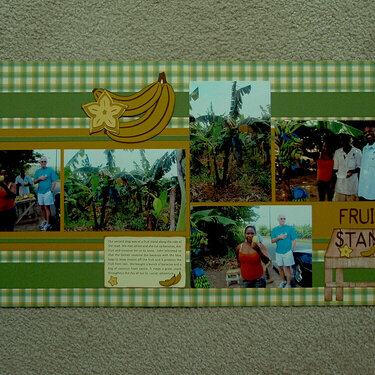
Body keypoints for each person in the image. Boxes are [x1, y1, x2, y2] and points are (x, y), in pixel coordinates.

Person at [332, 133, 362, 201]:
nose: (342, 142)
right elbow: (335, 169)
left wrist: (352, 171)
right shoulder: (337, 152)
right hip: (340, 187)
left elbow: (360, 167)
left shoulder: (357, 151)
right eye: (341, 140)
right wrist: (332, 183)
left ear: (349, 140)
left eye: (344, 140)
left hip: (352, 187)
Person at [271, 214, 298, 288]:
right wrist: (279, 237)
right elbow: (272, 241)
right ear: (278, 220)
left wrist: (291, 250)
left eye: (284, 218)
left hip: (287, 252)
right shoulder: (275, 229)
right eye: (281, 218)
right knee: (280, 267)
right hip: (278, 252)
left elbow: (294, 239)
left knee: (287, 268)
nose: (283, 220)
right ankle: (283, 281)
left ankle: (288, 284)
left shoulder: (290, 228)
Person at [33, 156, 58, 231]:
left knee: (47, 207)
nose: (43, 163)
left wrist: (51, 190)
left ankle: (48, 223)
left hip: (47, 192)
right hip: (40, 192)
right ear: (40, 163)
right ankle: (45, 220)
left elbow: (54, 181)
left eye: (45, 161)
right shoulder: (37, 172)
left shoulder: (50, 170)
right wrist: (39, 178)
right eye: (42, 161)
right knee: (41, 207)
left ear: (46, 162)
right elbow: (34, 182)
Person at [358, 125, 375, 201]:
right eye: (365, 132)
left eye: (370, 131)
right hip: (363, 192)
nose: (367, 134)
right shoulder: (365, 149)